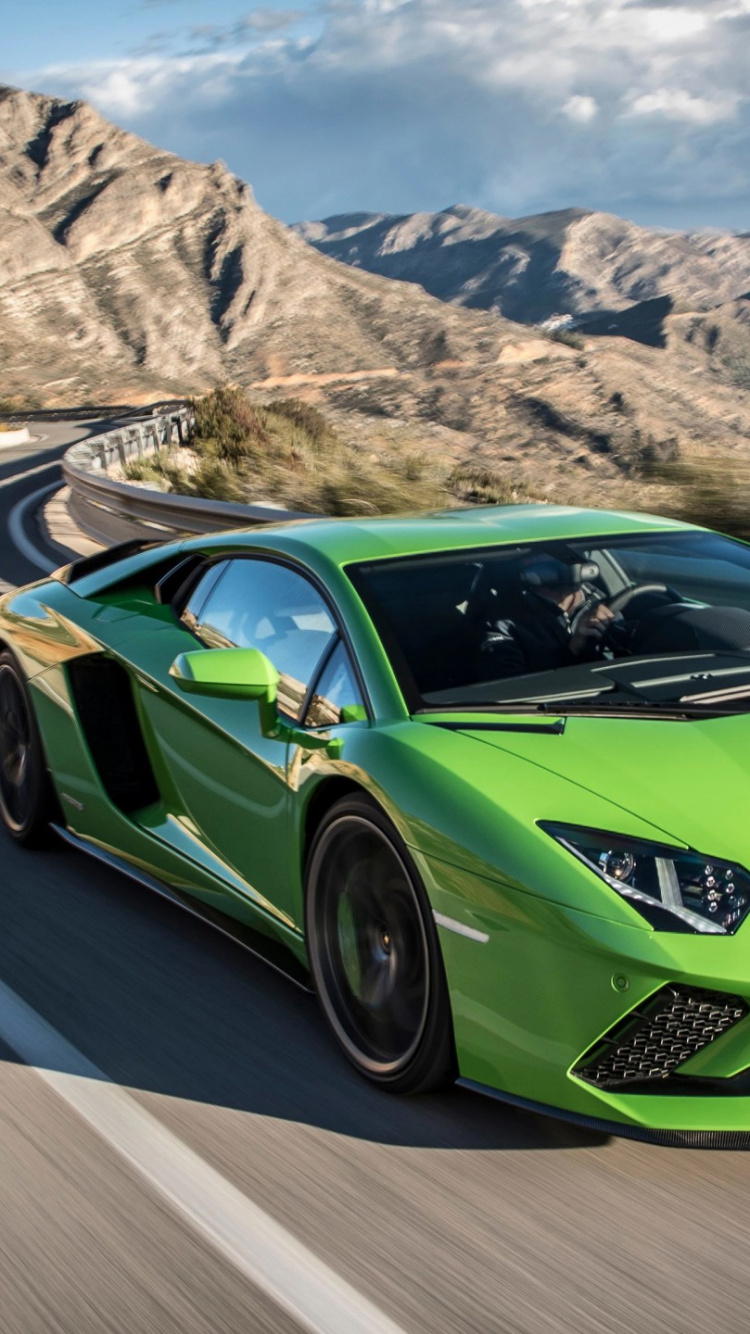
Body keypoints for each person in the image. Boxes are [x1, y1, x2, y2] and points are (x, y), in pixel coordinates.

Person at [478, 553, 616, 680]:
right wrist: (572, 649)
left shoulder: (602, 600)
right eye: (553, 553)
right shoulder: (501, 622)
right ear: (527, 561)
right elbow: (511, 688)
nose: (569, 560)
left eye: (575, 552)